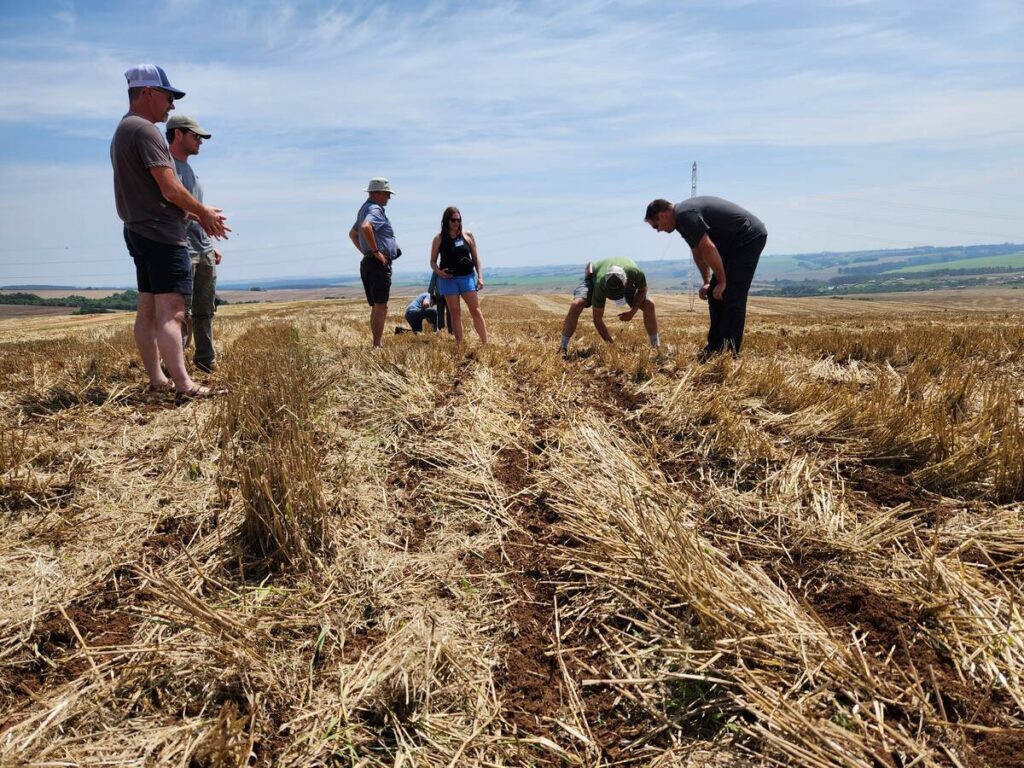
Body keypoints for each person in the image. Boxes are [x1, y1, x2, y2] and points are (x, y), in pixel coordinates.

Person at [110, 64, 229, 399]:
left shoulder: (124, 129)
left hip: (138, 230)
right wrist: (203, 212)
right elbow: (169, 188)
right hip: (162, 234)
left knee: (147, 309)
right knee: (172, 312)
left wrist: (196, 215)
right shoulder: (145, 131)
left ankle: (158, 379)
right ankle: (184, 384)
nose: (172, 105)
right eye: (168, 96)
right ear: (147, 92)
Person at [645, 196, 767, 359]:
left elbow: (708, 247)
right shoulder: (681, 221)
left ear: (661, 215)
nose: (658, 230)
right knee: (713, 294)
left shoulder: (684, 215)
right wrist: (707, 282)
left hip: (748, 236)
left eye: (656, 226)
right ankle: (714, 348)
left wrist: (723, 281)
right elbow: (698, 251)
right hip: (732, 244)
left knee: (731, 294)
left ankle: (729, 355)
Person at [167, 114, 221, 373]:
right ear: (178, 134)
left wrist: (211, 243)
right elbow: (171, 208)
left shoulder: (189, 169)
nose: (200, 141)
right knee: (180, 312)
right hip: (182, 249)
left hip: (203, 249)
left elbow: (198, 214)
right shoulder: (167, 168)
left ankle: (205, 360)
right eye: (196, 136)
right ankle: (176, 369)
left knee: (205, 310)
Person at [559, 257, 659, 356]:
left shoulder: (636, 273)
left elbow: (643, 289)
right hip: (594, 275)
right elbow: (597, 319)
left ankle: (656, 347)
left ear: (626, 282)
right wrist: (611, 345)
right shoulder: (600, 283)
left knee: (650, 304)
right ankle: (562, 348)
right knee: (576, 305)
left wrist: (633, 312)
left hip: (627, 277)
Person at [349, 178, 400, 347]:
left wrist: (367, 251)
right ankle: (377, 345)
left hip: (369, 262)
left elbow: (353, 234)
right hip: (377, 264)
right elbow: (365, 227)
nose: (389, 198)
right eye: (387, 194)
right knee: (381, 306)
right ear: (378, 193)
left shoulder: (364, 208)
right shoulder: (375, 209)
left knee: (376, 306)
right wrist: (377, 252)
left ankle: (376, 343)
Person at [429, 207, 487, 344]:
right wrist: (440, 272)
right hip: (448, 280)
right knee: (455, 314)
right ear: (446, 221)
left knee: (476, 311)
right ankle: (460, 345)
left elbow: (476, 258)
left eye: (459, 220)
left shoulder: (468, 236)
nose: (457, 223)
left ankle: (485, 343)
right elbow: (432, 262)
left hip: (466, 278)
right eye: (453, 220)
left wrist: (480, 277)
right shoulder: (439, 239)